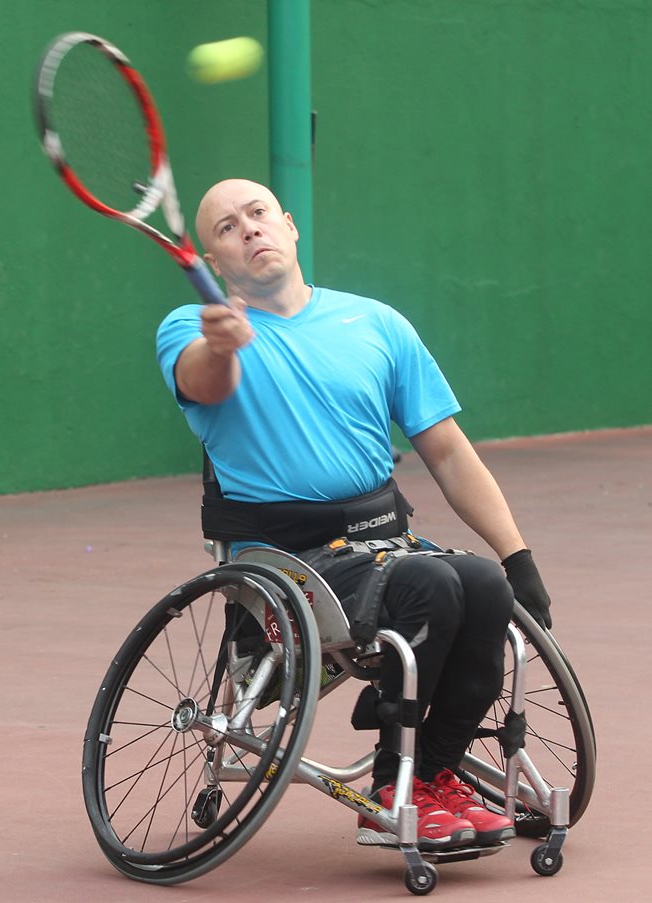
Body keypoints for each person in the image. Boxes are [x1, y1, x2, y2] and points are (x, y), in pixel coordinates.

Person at [156, 178, 552, 851]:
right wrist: (222, 343)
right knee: (429, 587)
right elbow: (204, 380)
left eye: (257, 213)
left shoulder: (376, 323)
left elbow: (450, 453)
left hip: (381, 543)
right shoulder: (190, 329)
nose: (248, 228)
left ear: (289, 224)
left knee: (484, 584)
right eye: (226, 227)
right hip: (286, 561)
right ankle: (390, 792)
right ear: (216, 261)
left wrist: (518, 555)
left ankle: (430, 777)